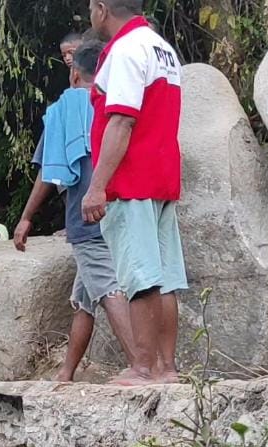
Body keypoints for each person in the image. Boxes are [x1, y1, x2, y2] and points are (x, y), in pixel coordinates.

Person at [14, 39, 139, 383]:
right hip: (123, 209)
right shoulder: (117, 104)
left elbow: (48, 171)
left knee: (109, 289)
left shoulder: (64, 108)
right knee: (85, 297)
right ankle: (66, 372)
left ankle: (141, 366)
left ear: (73, 73)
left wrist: (26, 217)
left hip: (87, 215)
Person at [85, 0, 187, 386]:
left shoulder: (126, 50)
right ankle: (166, 367)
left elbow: (122, 119)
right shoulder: (162, 48)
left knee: (140, 275)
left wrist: (97, 186)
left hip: (131, 180)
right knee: (165, 275)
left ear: (101, 8)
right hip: (161, 176)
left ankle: (143, 367)